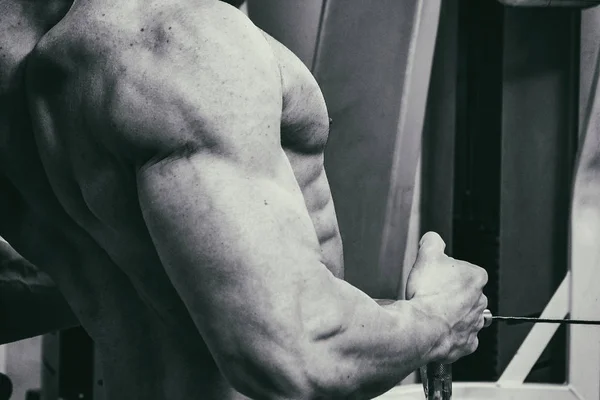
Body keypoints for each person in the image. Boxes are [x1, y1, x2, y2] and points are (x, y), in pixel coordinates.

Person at [0, 0, 488, 398]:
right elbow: (298, 356)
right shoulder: (182, 42)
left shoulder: (22, 69)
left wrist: (229, 283)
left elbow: (136, 278)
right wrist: (439, 318)